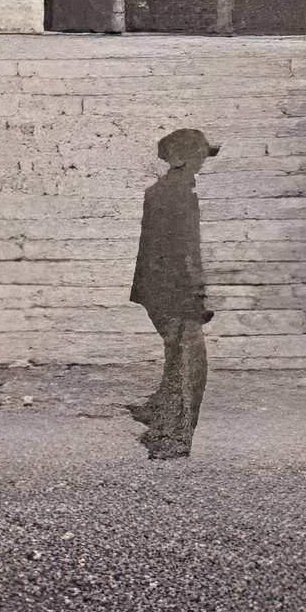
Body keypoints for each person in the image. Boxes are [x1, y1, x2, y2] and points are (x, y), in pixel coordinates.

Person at [128, 125, 217, 459]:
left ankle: (159, 411)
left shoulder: (157, 191)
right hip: (177, 291)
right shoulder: (183, 195)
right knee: (192, 366)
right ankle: (174, 437)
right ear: (185, 158)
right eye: (198, 155)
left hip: (155, 290)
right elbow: (186, 249)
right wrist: (198, 293)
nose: (202, 161)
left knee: (175, 355)